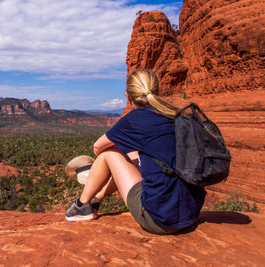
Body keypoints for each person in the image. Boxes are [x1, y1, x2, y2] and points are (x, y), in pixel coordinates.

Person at [65, 69, 206, 235]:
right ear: (157, 91)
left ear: (128, 96)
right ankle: (96, 199)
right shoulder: (179, 115)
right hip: (191, 213)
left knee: (109, 153)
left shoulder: (136, 118)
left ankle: (82, 205)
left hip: (159, 219)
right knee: (133, 155)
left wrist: (109, 160)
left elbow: (97, 148)